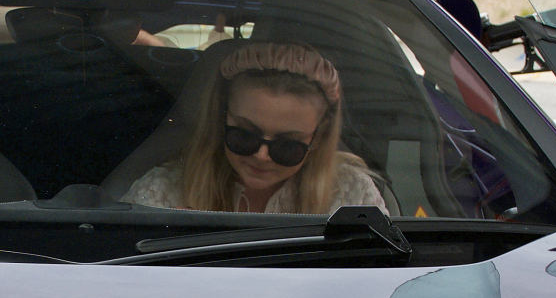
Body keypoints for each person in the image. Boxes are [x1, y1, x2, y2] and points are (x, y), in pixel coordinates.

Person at [121, 43, 387, 215]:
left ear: (318, 138)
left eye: (287, 146)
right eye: (244, 136)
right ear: (222, 118)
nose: (261, 155)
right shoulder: (163, 192)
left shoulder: (352, 195)